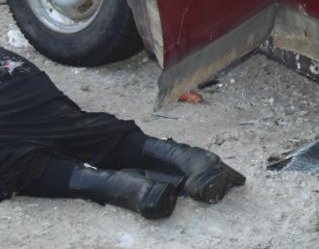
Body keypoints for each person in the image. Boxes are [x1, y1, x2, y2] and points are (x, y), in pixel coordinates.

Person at [1, 47, 245, 220]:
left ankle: (126, 188)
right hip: (15, 73)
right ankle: (188, 158)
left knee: (17, 160)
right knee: (70, 127)